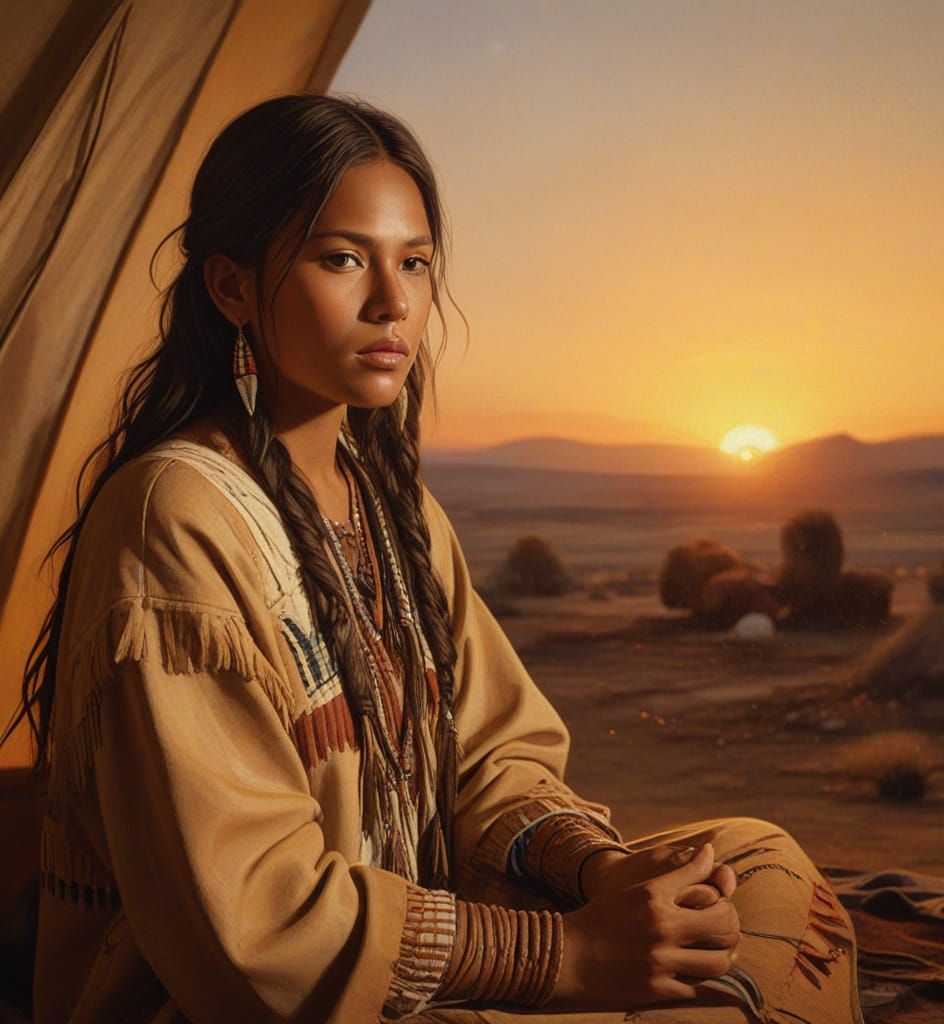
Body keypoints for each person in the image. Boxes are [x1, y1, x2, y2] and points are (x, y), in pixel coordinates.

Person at [12, 94, 864, 1023]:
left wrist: (606, 871)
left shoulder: (393, 506)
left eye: (414, 262)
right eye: (343, 259)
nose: (394, 302)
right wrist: (569, 953)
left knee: (752, 862)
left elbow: (492, 754)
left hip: (423, 943)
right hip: (257, 1003)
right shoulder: (173, 514)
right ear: (233, 288)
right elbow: (250, 923)